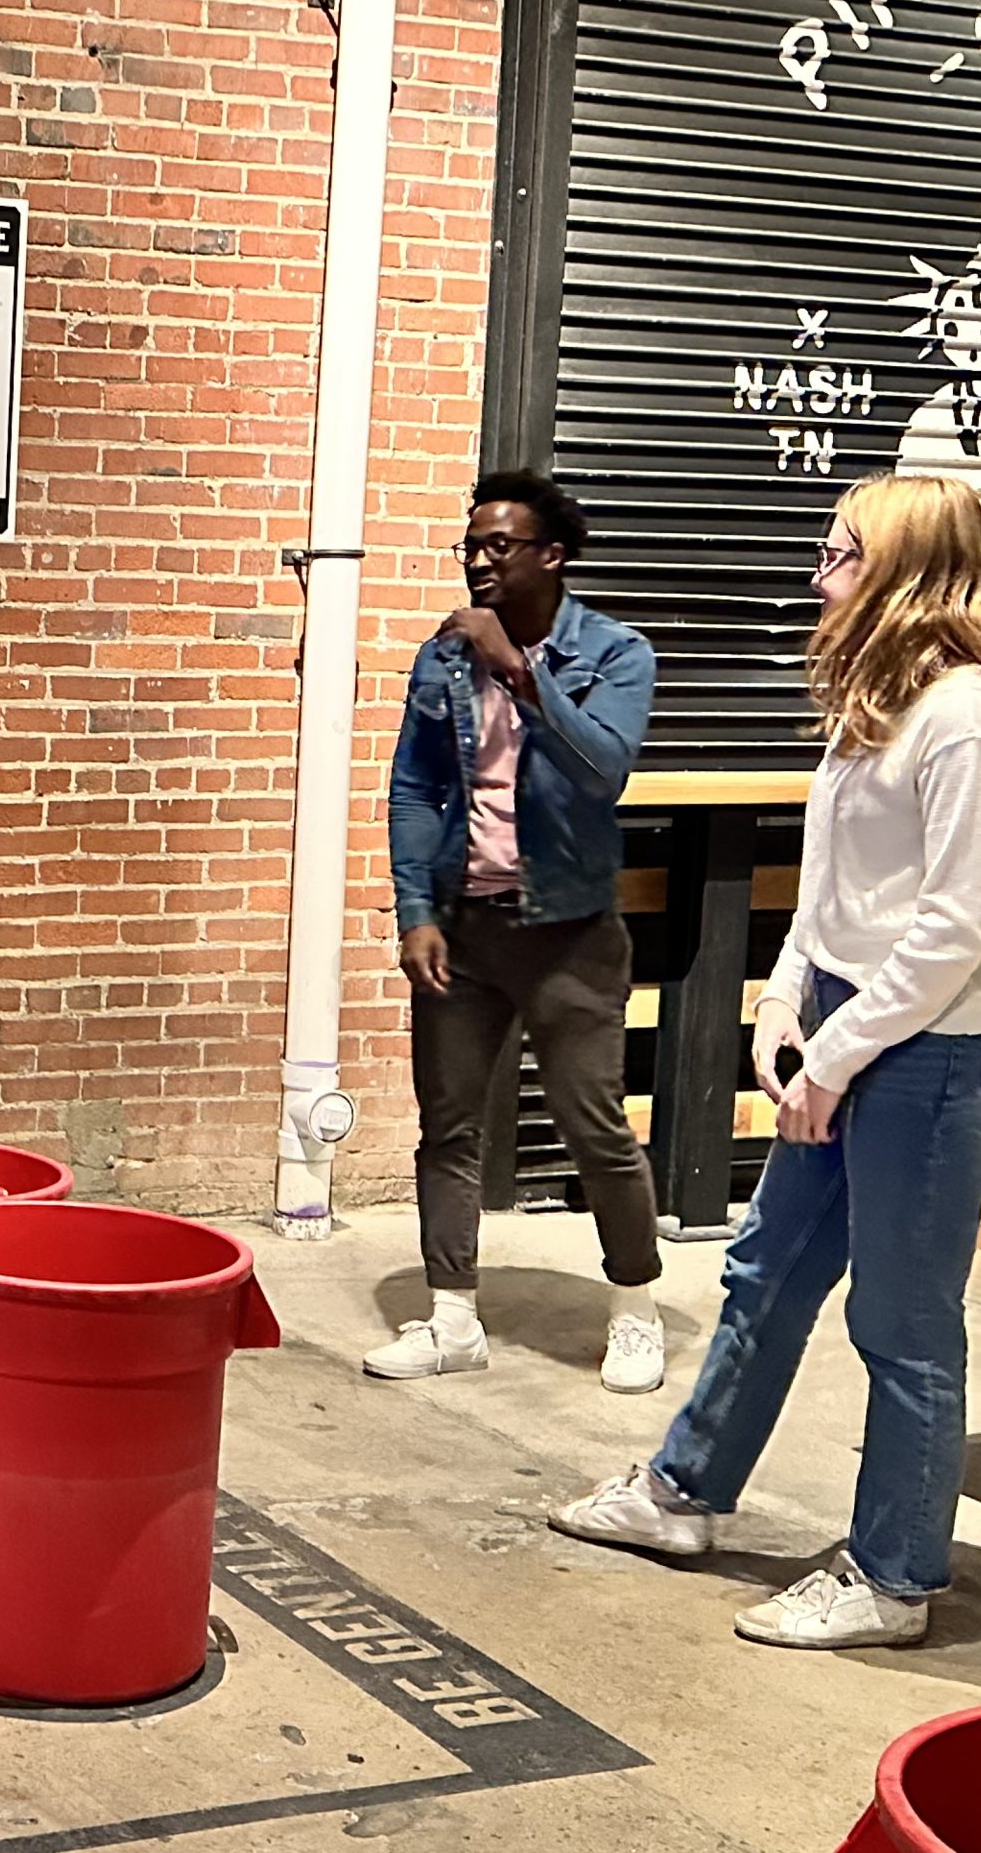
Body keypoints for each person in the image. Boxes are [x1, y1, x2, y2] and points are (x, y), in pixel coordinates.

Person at [554, 473, 981, 1649]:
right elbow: (834, 887)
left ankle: (891, 1579)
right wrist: (783, 996)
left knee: (902, 1324)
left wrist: (832, 1054)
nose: (819, 578)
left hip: (935, 1057)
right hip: (856, 1027)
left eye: (841, 556)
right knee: (766, 1275)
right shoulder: (880, 698)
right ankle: (682, 1495)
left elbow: (958, 926)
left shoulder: (968, 719)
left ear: (908, 572)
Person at [371, 469, 667, 1392]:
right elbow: (414, 789)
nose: (479, 562)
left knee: (594, 1127)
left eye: (499, 546)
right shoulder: (441, 659)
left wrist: (518, 669)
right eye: (471, 546)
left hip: (570, 933)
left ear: (553, 556)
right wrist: (416, 911)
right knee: (448, 1127)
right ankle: (451, 1316)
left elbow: (603, 770)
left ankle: (635, 1309)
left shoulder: (615, 654)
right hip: (464, 928)